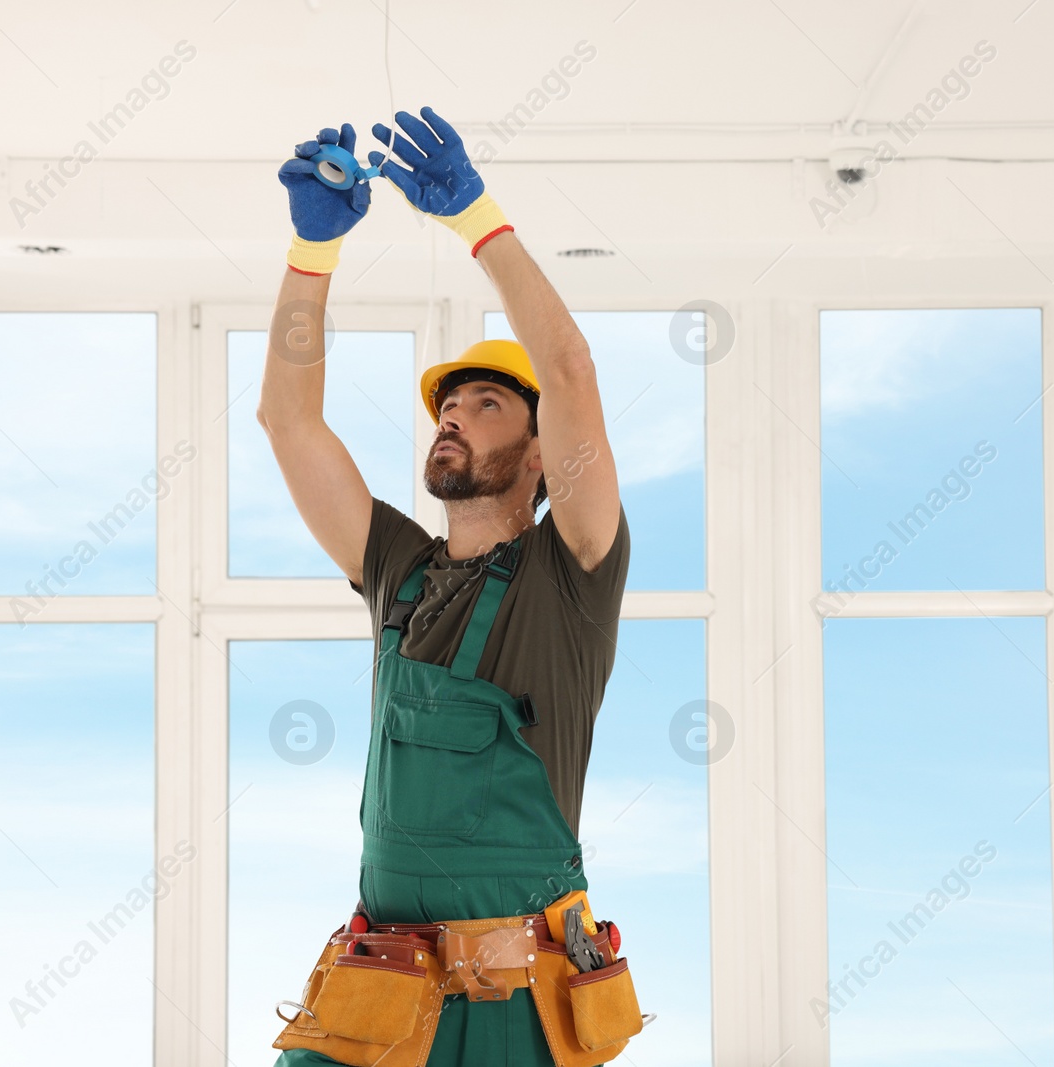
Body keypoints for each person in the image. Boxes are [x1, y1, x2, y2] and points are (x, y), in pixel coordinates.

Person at [259, 106, 635, 1067]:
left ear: (544, 452)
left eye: (487, 403)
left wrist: (478, 220)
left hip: (520, 1010)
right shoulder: (399, 569)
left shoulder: (573, 570)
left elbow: (571, 367)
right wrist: (311, 251)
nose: (454, 418)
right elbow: (288, 421)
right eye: (448, 406)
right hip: (377, 993)